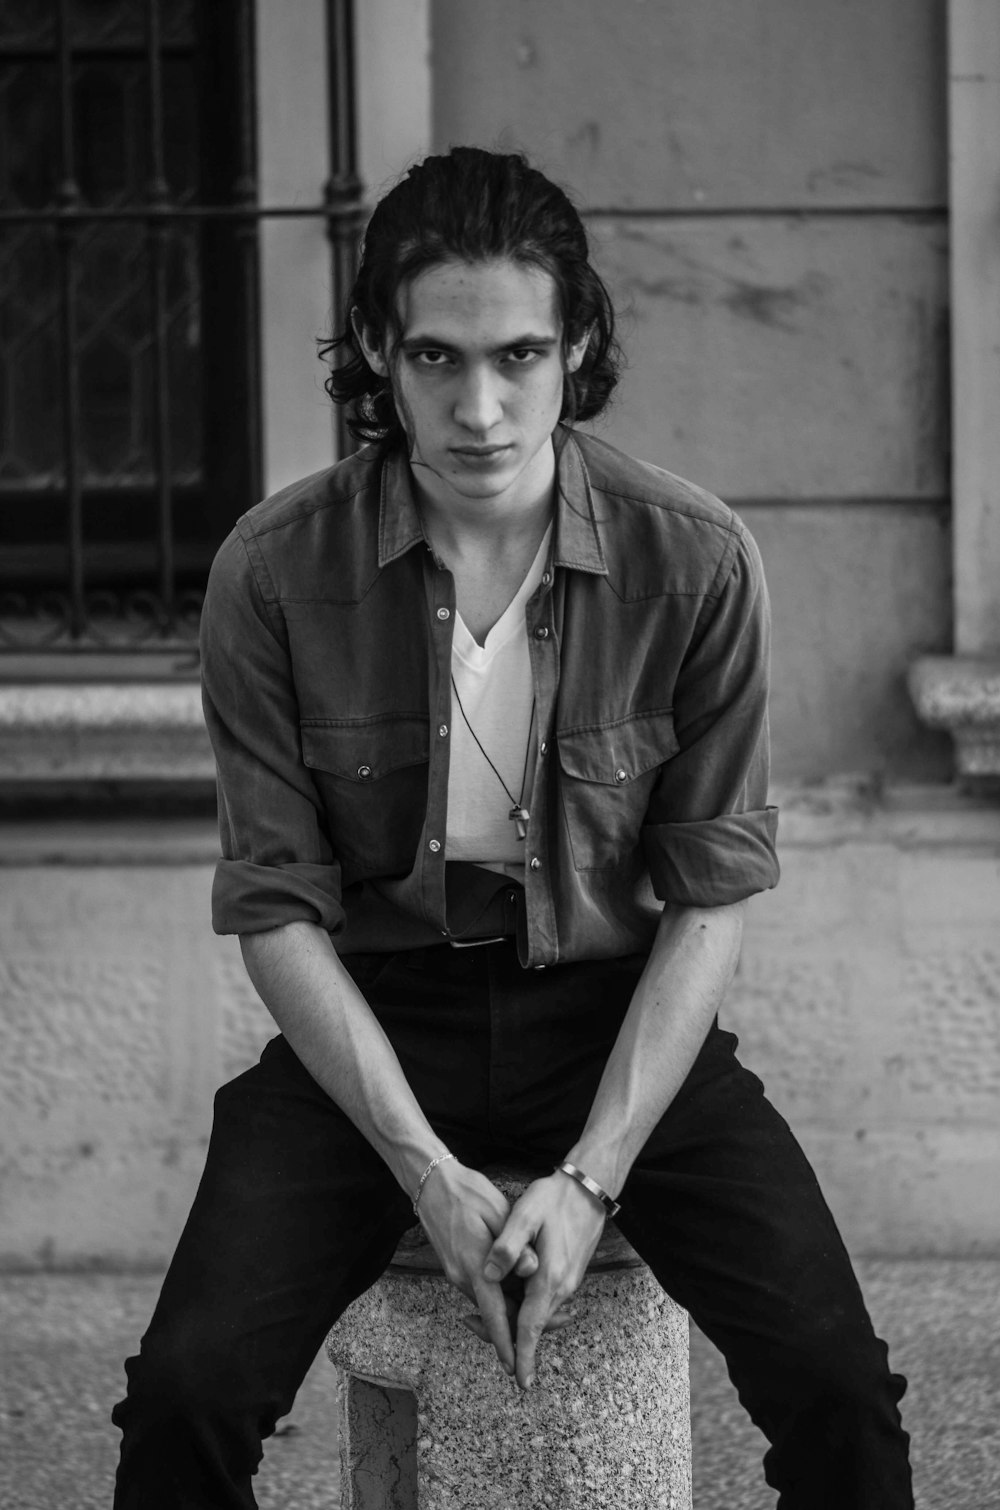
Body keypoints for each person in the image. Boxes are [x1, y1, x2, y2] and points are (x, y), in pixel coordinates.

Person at [112, 146, 913, 1508]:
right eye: (434, 358)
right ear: (375, 344)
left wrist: (593, 1177)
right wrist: (424, 1170)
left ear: (579, 342)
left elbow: (711, 896)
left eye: (520, 356)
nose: (478, 407)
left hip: (609, 1006)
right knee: (184, 1393)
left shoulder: (696, 560)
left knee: (840, 1388)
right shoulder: (273, 569)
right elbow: (277, 906)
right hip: (376, 1010)